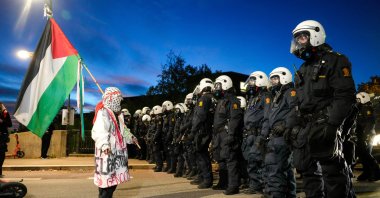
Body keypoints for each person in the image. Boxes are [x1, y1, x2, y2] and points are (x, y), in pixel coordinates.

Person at [291, 20, 356, 197]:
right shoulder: (303, 69)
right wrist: (294, 126)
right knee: (307, 170)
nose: (299, 42)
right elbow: (299, 103)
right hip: (306, 128)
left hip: (325, 123)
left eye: (303, 37)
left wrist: (332, 124)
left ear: (316, 36)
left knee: (333, 173)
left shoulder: (335, 60)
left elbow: (345, 95)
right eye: (297, 39)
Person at [257, 67, 297, 198]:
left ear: (284, 77)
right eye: (272, 79)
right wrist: (263, 136)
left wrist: (285, 125)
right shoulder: (277, 96)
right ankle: (290, 194)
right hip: (275, 136)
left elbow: (295, 109)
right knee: (285, 169)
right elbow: (269, 118)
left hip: (283, 136)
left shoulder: (290, 92)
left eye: (275, 78)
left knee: (275, 169)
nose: (273, 81)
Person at [92, 87, 137, 198]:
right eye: (118, 99)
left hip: (117, 153)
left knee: (109, 183)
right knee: (108, 183)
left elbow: (123, 130)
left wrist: (131, 137)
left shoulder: (117, 114)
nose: (120, 102)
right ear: (112, 99)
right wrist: (104, 144)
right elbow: (99, 129)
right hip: (108, 152)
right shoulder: (104, 112)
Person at [212, 75, 243, 195]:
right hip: (219, 134)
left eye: (218, 85)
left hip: (226, 133)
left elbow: (235, 118)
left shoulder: (233, 100)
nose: (216, 88)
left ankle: (233, 185)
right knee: (221, 159)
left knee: (230, 159)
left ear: (225, 84)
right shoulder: (221, 101)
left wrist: (231, 134)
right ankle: (223, 182)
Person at [241, 71, 270, 194]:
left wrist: (263, 136)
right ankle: (255, 185)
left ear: (260, 81)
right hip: (249, 135)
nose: (250, 84)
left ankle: (265, 186)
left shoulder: (266, 97)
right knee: (250, 160)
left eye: (252, 81)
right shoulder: (252, 98)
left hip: (258, 134)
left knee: (260, 161)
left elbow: (267, 117)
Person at [190, 78, 215, 189]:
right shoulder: (213, 98)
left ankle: (207, 179)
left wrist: (193, 132)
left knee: (202, 155)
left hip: (202, 131)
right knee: (203, 155)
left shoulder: (203, 99)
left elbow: (199, 117)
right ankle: (203, 177)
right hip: (208, 129)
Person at [355, 92, 380, 181]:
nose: (357, 101)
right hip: (361, 135)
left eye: (358, 99)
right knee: (362, 155)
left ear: (362, 98)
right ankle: (367, 172)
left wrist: (366, 135)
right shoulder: (360, 108)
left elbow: (370, 123)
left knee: (366, 154)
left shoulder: (367, 108)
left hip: (366, 135)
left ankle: (377, 172)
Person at [0, 102, 11, 177]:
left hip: (2, 136)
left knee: (2, 154)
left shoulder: (5, 113)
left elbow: (10, 124)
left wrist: (2, 121)